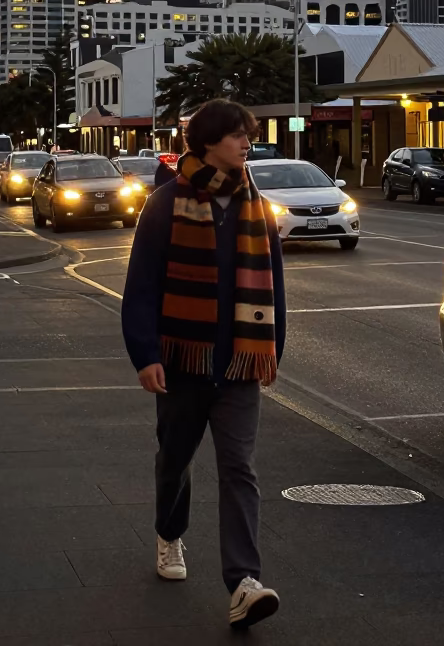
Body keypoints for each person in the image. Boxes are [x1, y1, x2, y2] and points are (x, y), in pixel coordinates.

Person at [122, 99, 286, 630]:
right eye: (238, 135)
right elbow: (142, 286)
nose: (247, 143)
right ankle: (169, 535)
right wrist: (146, 355)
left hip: (239, 365)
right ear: (210, 141)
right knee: (175, 459)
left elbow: (275, 287)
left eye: (248, 136)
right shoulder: (166, 204)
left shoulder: (254, 205)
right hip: (182, 363)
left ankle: (244, 582)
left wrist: (271, 349)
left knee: (240, 468)